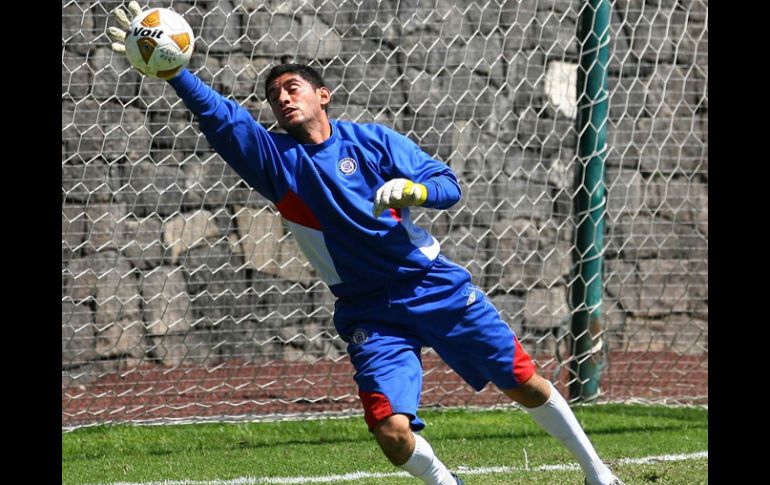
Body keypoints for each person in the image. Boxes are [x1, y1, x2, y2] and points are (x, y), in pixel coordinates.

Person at [108, 3, 624, 484]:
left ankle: (598, 472)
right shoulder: (276, 163)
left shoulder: (372, 141)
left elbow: (448, 184)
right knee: (389, 431)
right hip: (367, 311)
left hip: (433, 286)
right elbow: (223, 117)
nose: (283, 98)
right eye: (274, 96)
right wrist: (176, 72)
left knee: (523, 381)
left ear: (322, 95)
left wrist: (416, 189)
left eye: (293, 88)